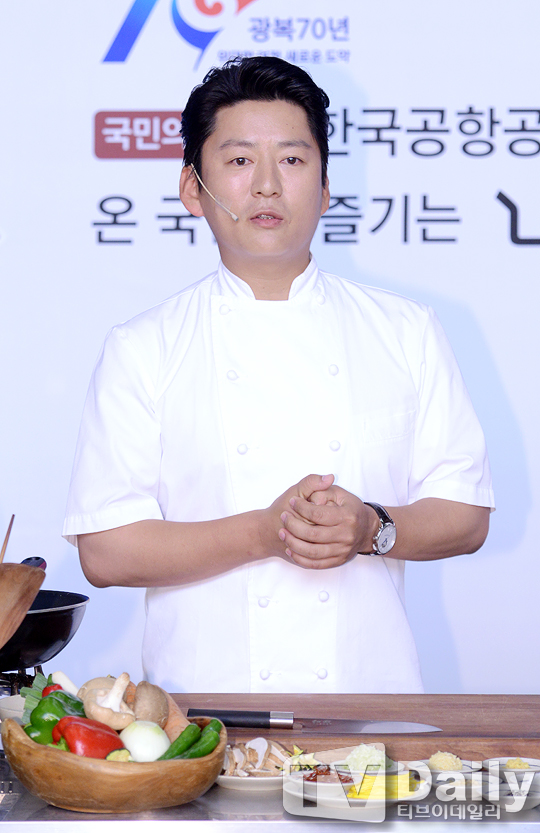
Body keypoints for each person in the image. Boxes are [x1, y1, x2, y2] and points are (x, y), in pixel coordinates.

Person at [63, 57, 494, 694]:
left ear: (324, 188)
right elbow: (105, 551)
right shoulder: (143, 347)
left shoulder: (406, 330)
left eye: (292, 160)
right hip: (203, 715)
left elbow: (466, 514)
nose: (267, 185)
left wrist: (370, 528)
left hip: (370, 705)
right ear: (192, 188)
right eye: (240, 160)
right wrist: (264, 534)